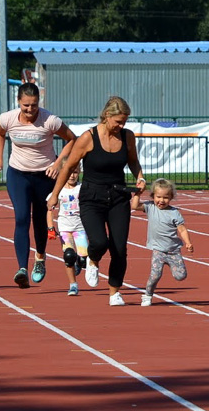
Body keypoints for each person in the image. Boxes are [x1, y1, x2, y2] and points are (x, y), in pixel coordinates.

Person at [47, 96, 146, 306]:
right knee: (100, 242)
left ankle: (114, 292)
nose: (121, 126)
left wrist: (140, 177)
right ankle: (92, 259)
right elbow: (67, 167)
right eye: (118, 121)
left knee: (119, 247)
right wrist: (55, 195)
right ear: (107, 116)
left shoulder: (127, 137)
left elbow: (134, 162)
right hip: (92, 197)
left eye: (124, 122)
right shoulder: (88, 138)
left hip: (119, 197)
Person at [0, 82, 77, 288]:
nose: (30, 110)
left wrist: (58, 164)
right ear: (18, 102)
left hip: (44, 175)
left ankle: (40, 258)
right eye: (25, 106)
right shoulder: (7, 118)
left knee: (40, 219)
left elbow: (72, 139)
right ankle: (22, 268)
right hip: (18, 174)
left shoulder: (50, 120)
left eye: (33, 105)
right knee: (21, 217)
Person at [131, 178, 194, 306]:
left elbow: (182, 229)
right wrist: (137, 193)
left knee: (180, 276)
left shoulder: (174, 213)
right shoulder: (150, 207)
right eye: (158, 197)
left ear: (171, 197)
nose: (161, 200)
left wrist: (187, 242)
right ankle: (148, 295)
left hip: (173, 251)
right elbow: (134, 206)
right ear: (153, 196)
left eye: (165, 197)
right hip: (158, 250)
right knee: (155, 275)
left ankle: (172, 266)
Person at [46, 168, 93, 296]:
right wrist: (50, 228)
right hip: (64, 228)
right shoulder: (58, 190)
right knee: (69, 256)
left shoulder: (82, 188)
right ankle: (73, 285)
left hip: (80, 228)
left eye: (75, 172)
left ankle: (79, 262)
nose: (72, 176)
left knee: (83, 260)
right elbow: (50, 210)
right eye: (69, 173)